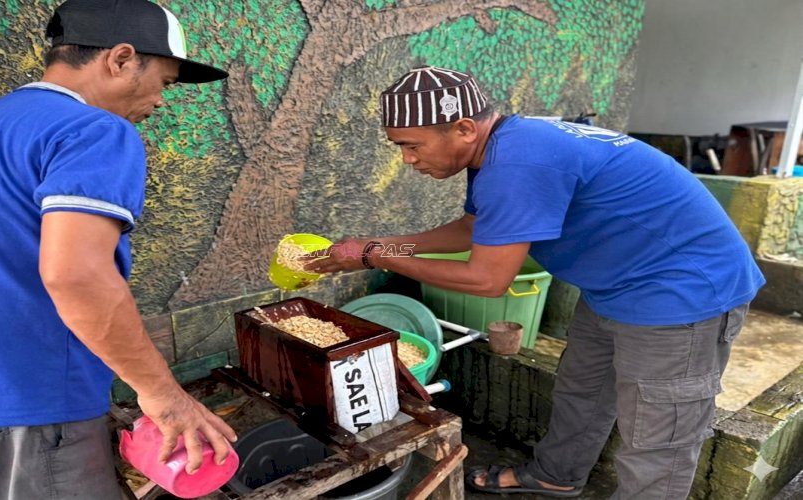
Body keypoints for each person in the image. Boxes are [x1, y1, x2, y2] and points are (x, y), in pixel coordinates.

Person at [307, 66, 764, 499]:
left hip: (683, 294)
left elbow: (487, 279)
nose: (408, 160)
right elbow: (473, 230)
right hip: (615, 285)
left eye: (412, 145)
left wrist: (376, 257)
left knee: (657, 439)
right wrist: (376, 245)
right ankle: (555, 478)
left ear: (464, 128)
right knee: (581, 392)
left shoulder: (519, 161)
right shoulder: (501, 148)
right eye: (399, 148)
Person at [0, 1, 237, 498]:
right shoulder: (93, 130)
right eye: (164, 82)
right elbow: (77, 274)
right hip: (20, 406)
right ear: (121, 59)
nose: (162, 101)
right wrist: (165, 397)